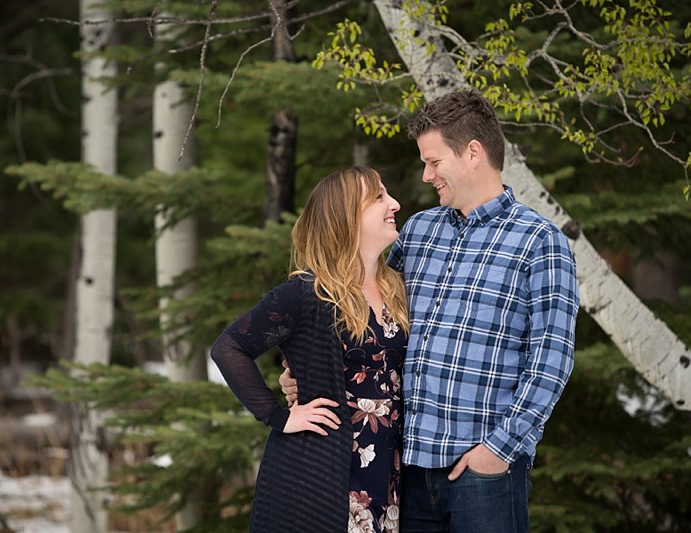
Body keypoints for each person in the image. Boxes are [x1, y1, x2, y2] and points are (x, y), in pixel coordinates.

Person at [281, 90, 579, 532]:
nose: (425, 175)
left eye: (434, 162)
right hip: (408, 470)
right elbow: (357, 301)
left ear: (473, 153)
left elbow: (551, 365)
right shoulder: (420, 231)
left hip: (484, 473)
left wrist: (497, 451)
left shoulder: (539, 243)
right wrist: (304, 366)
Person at [211, 166, 411, 532]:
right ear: (347, 215)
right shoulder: (307, 293)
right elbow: (228, 348)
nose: (394, 204)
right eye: (379, 197)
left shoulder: (396, 287)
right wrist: (280, 417)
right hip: (321, 474)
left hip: (387, 472)